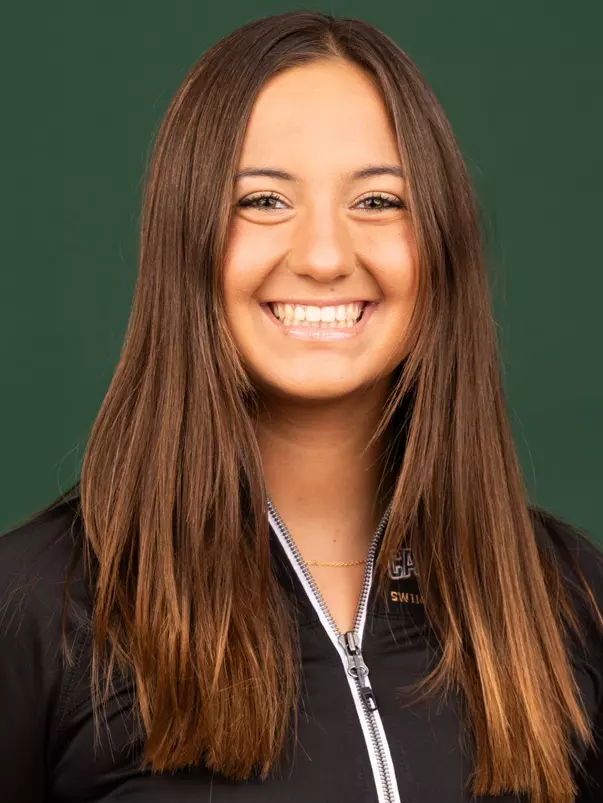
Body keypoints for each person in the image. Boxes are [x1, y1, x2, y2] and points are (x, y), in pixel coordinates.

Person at [1, 9, 601, 803]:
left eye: (380, 202)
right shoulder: (36, 606)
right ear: (186, 240)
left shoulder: (567, 599)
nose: (323, 256)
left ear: (443, 246)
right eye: (262, 201)